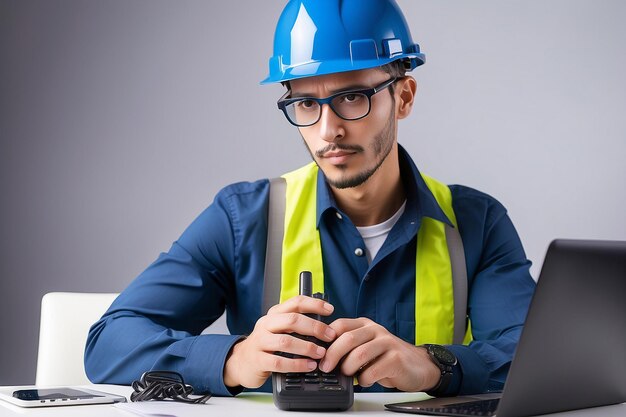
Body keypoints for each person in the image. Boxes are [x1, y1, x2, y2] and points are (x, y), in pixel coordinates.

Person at [85, 0, 535, 398]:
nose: (327, 131)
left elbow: (533, 357)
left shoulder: (477, 222)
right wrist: (235, 359)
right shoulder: (242, 218)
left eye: (353, 96)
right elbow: (110, 342)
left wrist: (434, 366)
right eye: (305, 104)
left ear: (404, 97)